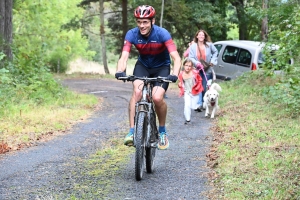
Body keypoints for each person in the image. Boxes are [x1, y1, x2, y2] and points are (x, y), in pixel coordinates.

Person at [114, 5, 181, 150]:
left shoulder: (162, 33)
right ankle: (132, 132)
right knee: (137, 93)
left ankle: (162, 131)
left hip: (162, 68)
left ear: (152, 21)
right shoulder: (132, 34)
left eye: (145, 22)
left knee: (157, 98)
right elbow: (124, 56)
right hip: (143, 66)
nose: (142, 25)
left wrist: (174, 74)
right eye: (139, 22)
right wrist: (120, 70)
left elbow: (176, 58)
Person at [188, 29, 218, 110]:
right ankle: (199, 104)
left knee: (204, 87)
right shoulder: (193, 46)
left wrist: (212, 61)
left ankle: (205, 102)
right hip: (197, 69)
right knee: (198, 86)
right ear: (197, 36)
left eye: (203, 35)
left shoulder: (209, 45)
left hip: (207, 69)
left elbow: (215, 52)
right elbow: (190, 57)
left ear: (204, 37)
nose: (201, 36)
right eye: (199, 35)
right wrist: (196, 63)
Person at [178, 58, 203, 124]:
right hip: (187, 92)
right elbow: (181, 82)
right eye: (186, 65)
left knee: (193, 106)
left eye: (189, 66)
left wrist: (198, 86)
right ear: (183, 65)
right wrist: (180, 85)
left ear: (192, 67)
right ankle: (187, 119)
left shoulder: (194, 73)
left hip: (195, 91)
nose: (188, 67)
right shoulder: (181, 74)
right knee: (187, 105)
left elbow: (200, 80)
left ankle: (197, 106)